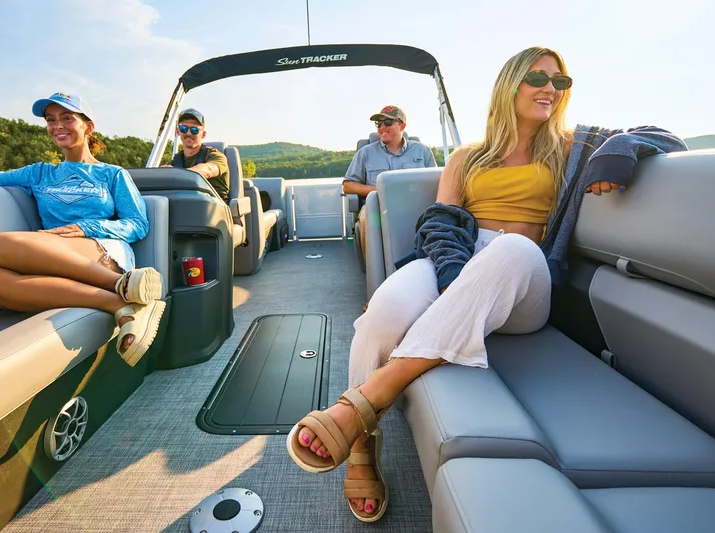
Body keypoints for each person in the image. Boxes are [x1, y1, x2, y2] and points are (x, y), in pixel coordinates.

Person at [286, 47, 687, 522]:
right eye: (537, 78)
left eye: (560, 83)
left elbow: (662, 138)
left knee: (512, 248)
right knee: (386, 307)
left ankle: (365, 403)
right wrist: (455, 278)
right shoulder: (467, 156)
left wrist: (613, 157)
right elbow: (439, 225)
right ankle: (362, 448)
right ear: (509, 84)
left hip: (524, 279)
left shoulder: (572, 148)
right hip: (457, 260)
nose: (549, 89)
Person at [0, 92, 166, 367]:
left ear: (87, 126)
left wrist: (86, 227)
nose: (57, 125)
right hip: (48, 256)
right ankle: (120, 303)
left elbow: (137, 224)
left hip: (101, 252)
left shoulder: (112, 174)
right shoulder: (40, 172)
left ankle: (121, 283)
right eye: (51, 119)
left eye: (67, 118)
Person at [342, 105, 437, 259]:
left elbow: (435, 182)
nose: (382, 127)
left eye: (387, 122)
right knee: (367, 219)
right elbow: (348, 185)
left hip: (415, 206)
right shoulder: (365, 153)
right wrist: (378, 190)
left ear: (402, 126)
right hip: (378, 208)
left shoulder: (423, 151)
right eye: (378, 124)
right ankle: (374, 272)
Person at [161, 108, 231, 202]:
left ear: (203, 134)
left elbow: (208, 170)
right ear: (178, 131)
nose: (189, 133)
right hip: (184, 207)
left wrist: (174, 174)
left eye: (194, 130)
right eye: (184, 129)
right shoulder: (174, 163)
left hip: (215, 210)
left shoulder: (216, 156)